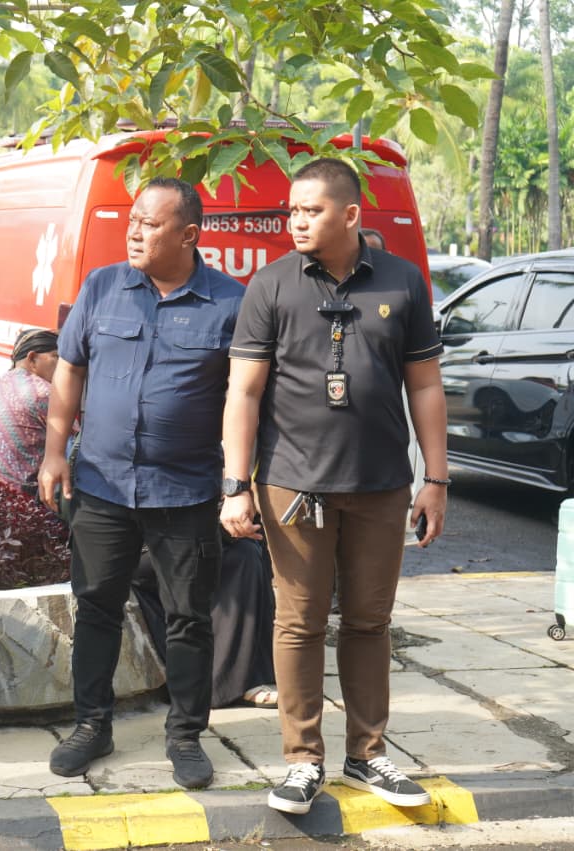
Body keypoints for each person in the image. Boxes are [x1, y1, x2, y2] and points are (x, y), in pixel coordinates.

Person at [220, 157, 448, 816]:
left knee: (370, 622)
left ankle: (368, 753)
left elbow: (425, 385)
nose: (295, 220)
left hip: (381, 484)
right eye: (292, 210)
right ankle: (302, 760)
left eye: (310, 210)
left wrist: (436, 478)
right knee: (299, 623)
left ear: (349, 214)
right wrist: (236, 484)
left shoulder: (403, 282)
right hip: (292, 484)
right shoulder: (271, 285)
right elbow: (244, 391)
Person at [37, 177, 245, 789]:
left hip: (186, 492)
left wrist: (240, 482)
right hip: (102, 485)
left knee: (189, 618)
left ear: (188, 234)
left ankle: (185, 735)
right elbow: (69, 371)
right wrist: (54, 453)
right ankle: (91, 725)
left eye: (150, 224)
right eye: (132, 220)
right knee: (96, 607)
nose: (133, 232)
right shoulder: (102, 287)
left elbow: (247, 398)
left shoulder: (230, 303)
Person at [132, 533, 277, 709]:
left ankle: (253, 676)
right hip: (148, 548)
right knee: (242, 554)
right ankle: (226, 683)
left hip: (193, 536)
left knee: (249, 544)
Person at [0, 328, 59, 498]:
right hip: (12, 500)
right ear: (32, 359)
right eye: (56, 357)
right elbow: (76, 446)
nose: (63, 367)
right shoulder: (43, 393)